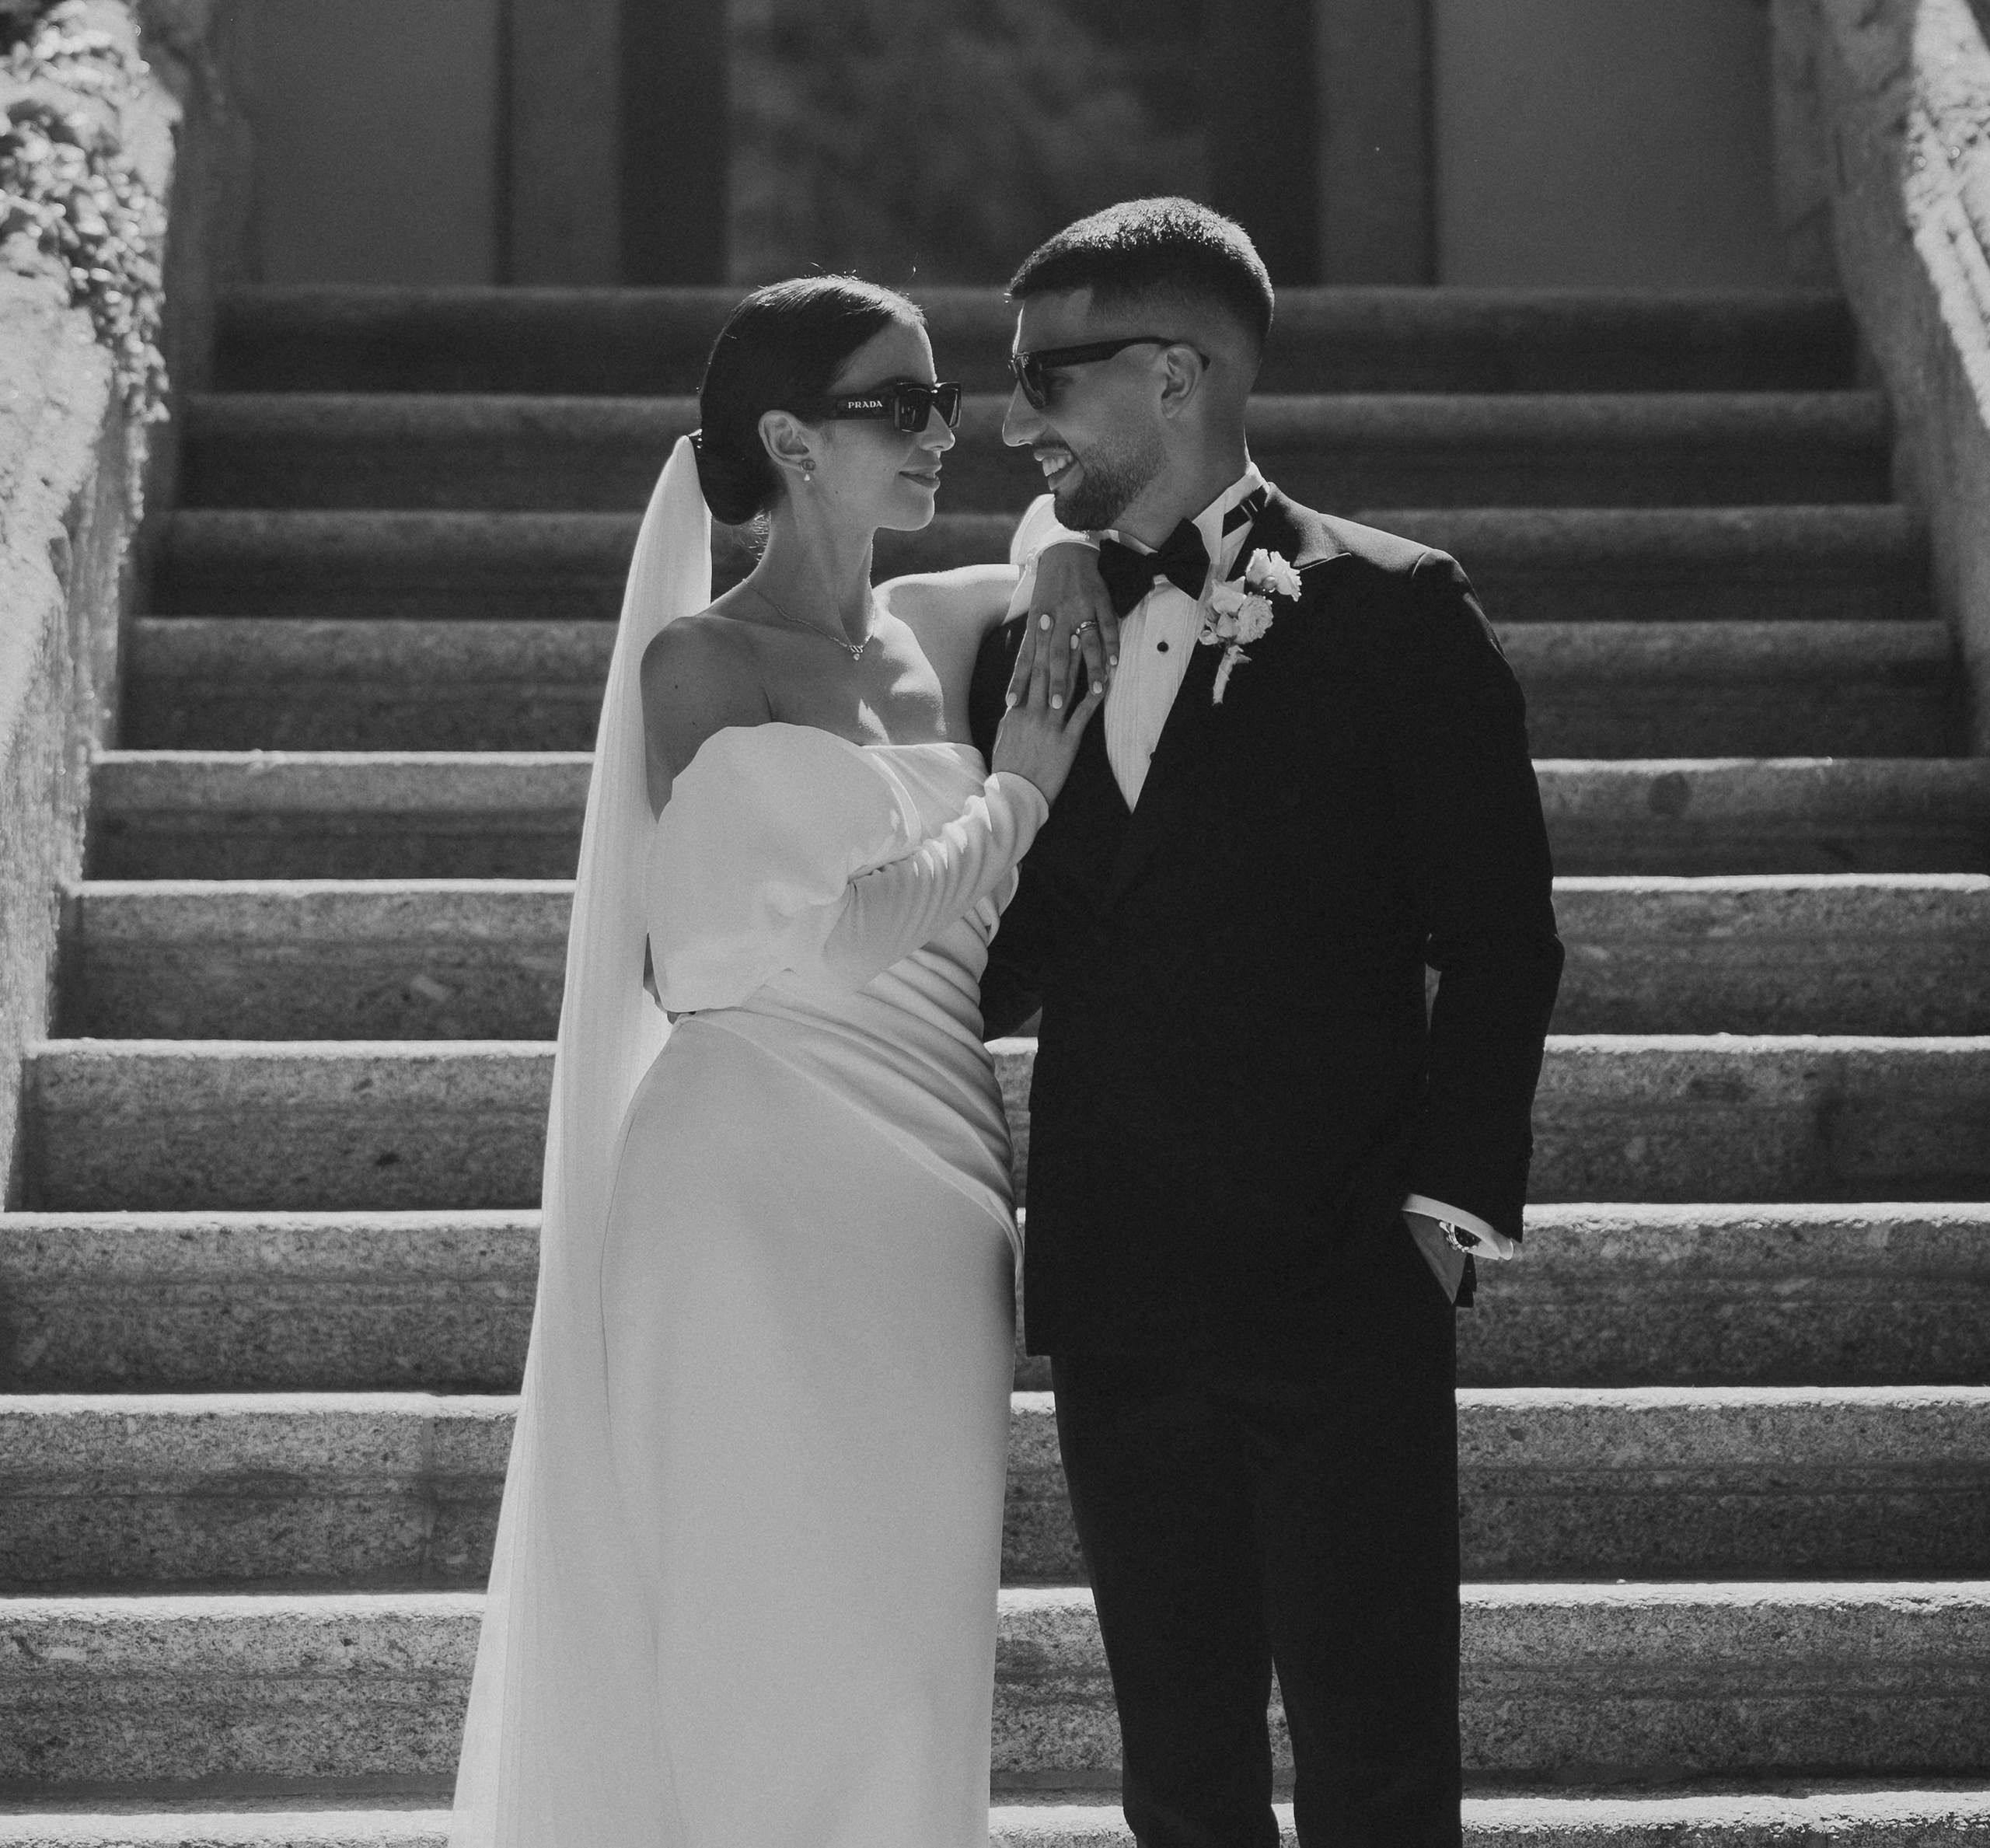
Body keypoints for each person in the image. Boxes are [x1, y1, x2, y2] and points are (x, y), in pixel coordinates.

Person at [449, 275, 1114, 1848]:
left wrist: (1068, 543)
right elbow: (800, 943)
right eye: (901, 406)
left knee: (913, 1655)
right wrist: (1012, 799)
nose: (943, 431)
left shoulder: (935, 627)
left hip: (937, 1215)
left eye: (946, 402)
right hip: (746, 1192)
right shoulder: (699, 668)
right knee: (763, 1641)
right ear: (789, 442)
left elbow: (1042, 551)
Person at [969, 197, 1566, 1848]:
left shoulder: (1397, 613)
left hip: (1342, 1287)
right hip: (1118, 1290)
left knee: (1377, 1770)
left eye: (1044, 378)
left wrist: (1442, 1218)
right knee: (1175, 1772)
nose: (1010, 417)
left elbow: (1502, 940)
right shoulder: (1033, 640)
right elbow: (1008, 964)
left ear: (1173, 373)